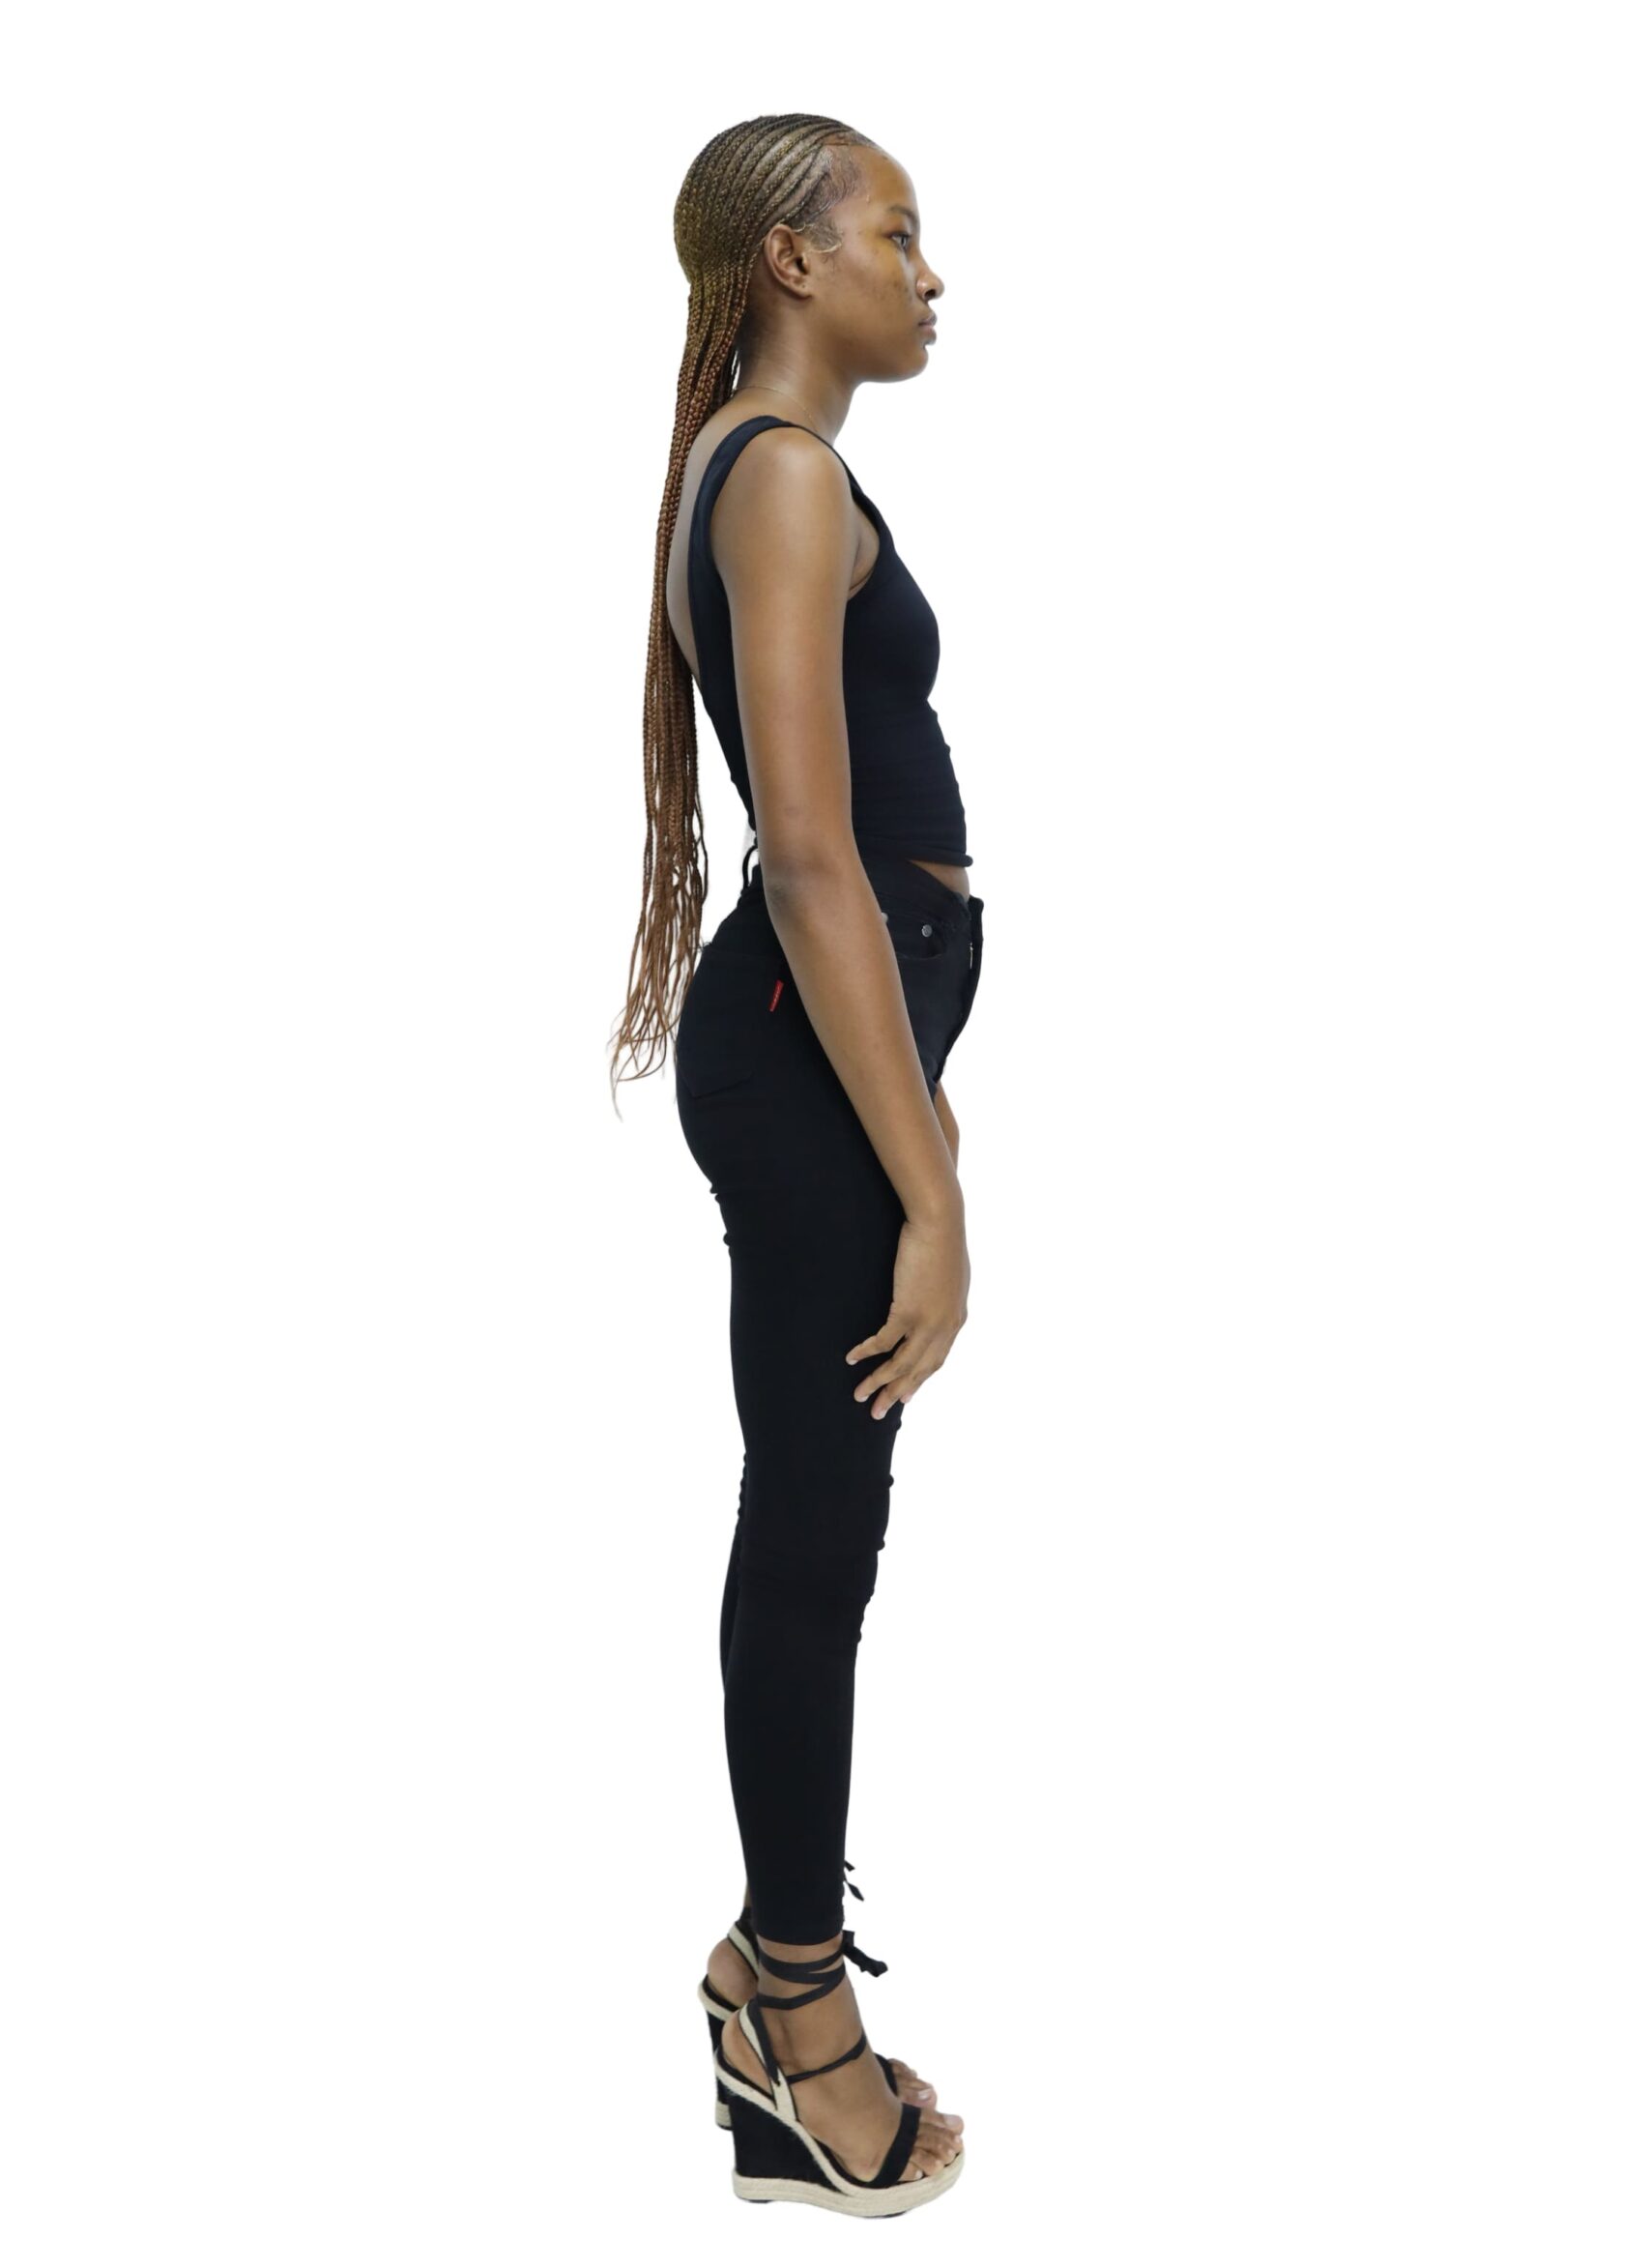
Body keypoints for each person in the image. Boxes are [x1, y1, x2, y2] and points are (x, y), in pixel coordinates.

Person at [609, 114, 983, 2218]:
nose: (929, 275)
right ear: (789, 259)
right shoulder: (778, 474)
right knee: (817, 1527)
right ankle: (791, 2014)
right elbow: (818, 855)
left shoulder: (766, 466)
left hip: (839, 1056)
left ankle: (775, 1971)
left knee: (821, 1515)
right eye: (895, 234)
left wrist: (924, 1096)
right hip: (809, 1057)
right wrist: (929, 1194)